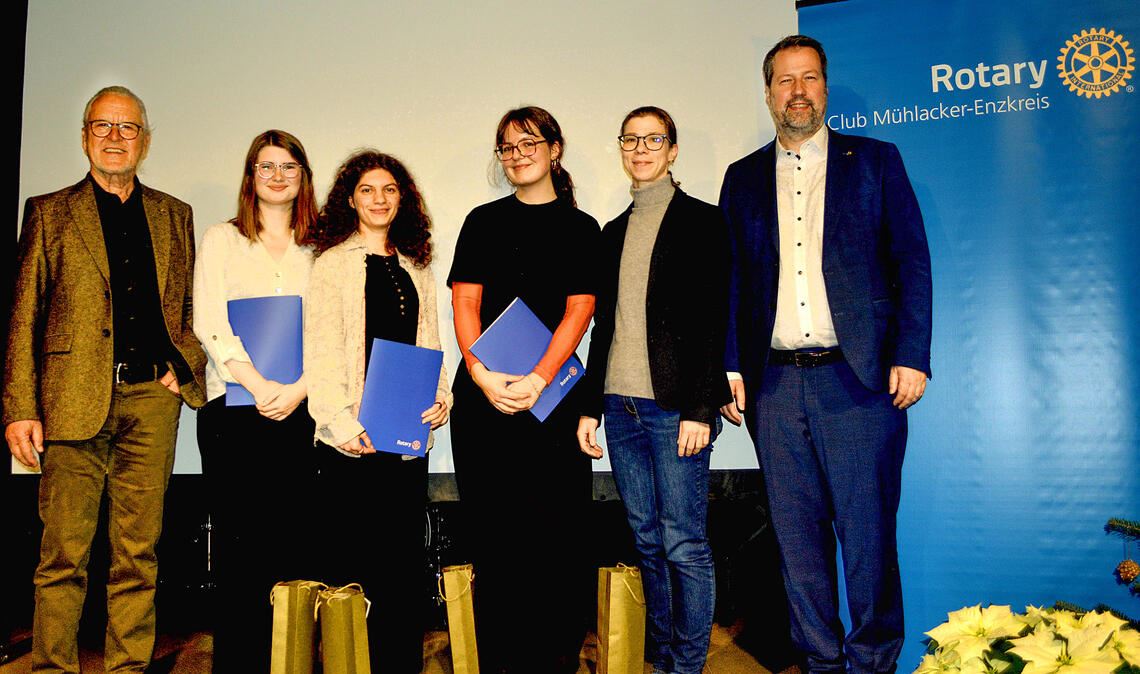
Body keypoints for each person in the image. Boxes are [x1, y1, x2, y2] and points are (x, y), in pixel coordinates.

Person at [719, 35, 932, 674]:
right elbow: (731, 280)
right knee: (798, 548)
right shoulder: (742, 177)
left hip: (859, 382)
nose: (798, 91)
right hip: (775, 388)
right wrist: (730, 364)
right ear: (768, 93)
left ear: (825, 88)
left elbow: (911, 261)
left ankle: (872, 663)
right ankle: (819, 663)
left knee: (867, 542)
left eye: (809, 78)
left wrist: (912, 353)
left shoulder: (875, 161)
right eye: (785, 80)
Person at [3, 85, 207, 672]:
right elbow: (24, 314)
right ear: (85, 135)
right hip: (70, 401)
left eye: (127, 128)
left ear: (145, 140)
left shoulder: (175, 215)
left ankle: (127, 669)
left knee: (137, 555)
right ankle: (52, 669)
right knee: (62, 555)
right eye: (103, 126)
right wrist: (20, 405)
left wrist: (181, 366)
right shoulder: (49, 211)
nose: (115, 138)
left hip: (151, 401)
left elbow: (192, 307)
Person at [576, 106, 732, 674]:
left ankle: (687, 664)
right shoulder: (612, 231)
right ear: (622, 149)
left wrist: (699, 408)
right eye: (631, 140)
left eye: (653, 139)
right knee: (645, 541)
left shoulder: (703, 222)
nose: (641, 148)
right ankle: (662, 656)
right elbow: (604, 326)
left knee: (684, 543)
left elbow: (714, 319)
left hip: (674, 412)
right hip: (619, 409)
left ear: (671, 151)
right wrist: (592, 405)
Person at [448, 106, 600, 673]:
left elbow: (579, 310)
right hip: (484, 400)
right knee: (495, 543)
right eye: (507, 148)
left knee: (556, 543)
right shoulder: (482, 222)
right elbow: (464, 302)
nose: (516, 155)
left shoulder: (582, 228)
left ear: (554, 149)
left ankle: (555, 660)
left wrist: (538, 378)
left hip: (553, 400)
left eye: (528, 143)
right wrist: (481, 373)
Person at [305, 150, 451, 673]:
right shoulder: (332, 265)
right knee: (352, 572)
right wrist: (340, 424)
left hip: (404, 445)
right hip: (351, 443)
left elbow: (431, 346)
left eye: (389, 189)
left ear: (402, 199)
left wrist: (442, 397)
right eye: (368, 190)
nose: (379, 199)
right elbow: (319, 353)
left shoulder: (416, 267)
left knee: (401, 571)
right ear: (351, 198)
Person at [192, 129, 318, 672]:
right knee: (240, 557)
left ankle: (289, 662)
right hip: (234, 414)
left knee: (294, 549)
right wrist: (260, 384)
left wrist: (298, 389)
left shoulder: (323, 245)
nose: (277, 176)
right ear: (250, 176)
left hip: (302, 412)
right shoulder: (222, 239)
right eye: (266, 166)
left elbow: (332, 329)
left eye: (289, 167)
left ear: (303, 177)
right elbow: (209, 322)